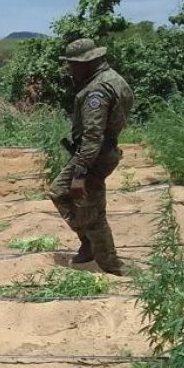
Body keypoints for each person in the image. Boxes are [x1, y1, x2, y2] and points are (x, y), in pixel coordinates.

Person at [48, 38, 134, 275]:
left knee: (91, 210)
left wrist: (80, 172)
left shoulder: (97, 89)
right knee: (59, 192)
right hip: (100, 152)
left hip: (94, 155)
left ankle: (112, 266)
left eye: (73, 64)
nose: (71, 69)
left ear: (87, 62)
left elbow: (93, 135)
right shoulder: (113, 79)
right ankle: (88, 243)